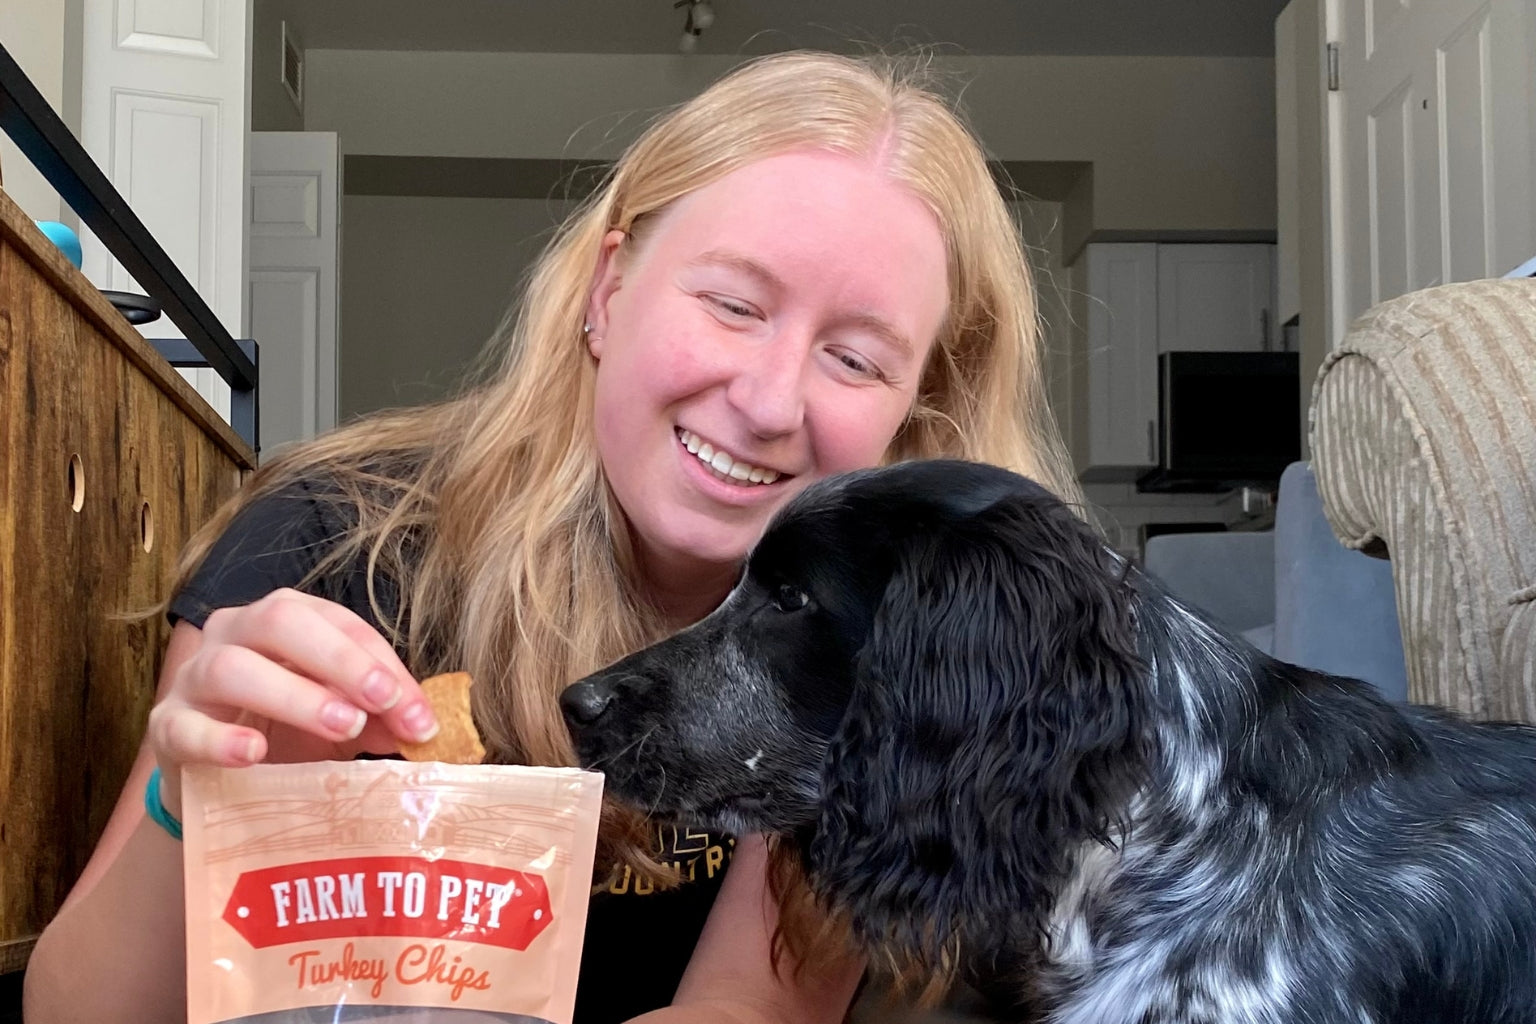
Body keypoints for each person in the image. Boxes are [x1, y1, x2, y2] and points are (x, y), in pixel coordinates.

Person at [24, 49, 1082, 1024]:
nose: (767, 400)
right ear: (609, 289)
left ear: (917, 416)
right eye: (730, 302)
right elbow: (76, 1012)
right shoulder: (334, 537)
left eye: (854, 360)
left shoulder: (884, 656)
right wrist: (194, 799)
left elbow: (745, 1004)